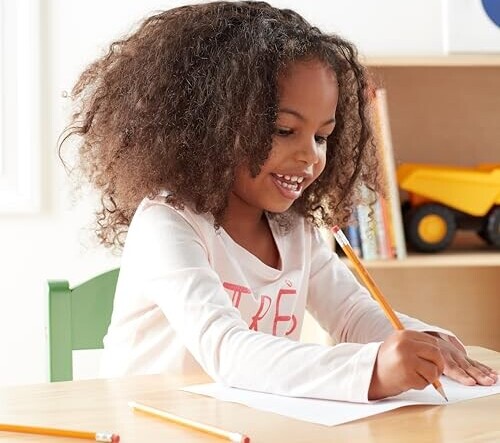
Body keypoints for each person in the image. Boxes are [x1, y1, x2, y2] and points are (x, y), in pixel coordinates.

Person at [61, 1, 497, 402]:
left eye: (322, 136)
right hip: (150, 425)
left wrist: (422, 339)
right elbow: (227, 351)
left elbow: (350, 313)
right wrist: (372, 371)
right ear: (212, 125)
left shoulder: (294, 228)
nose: (310, 156)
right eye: (285, 130)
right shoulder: (168, 224)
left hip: (246, 423)